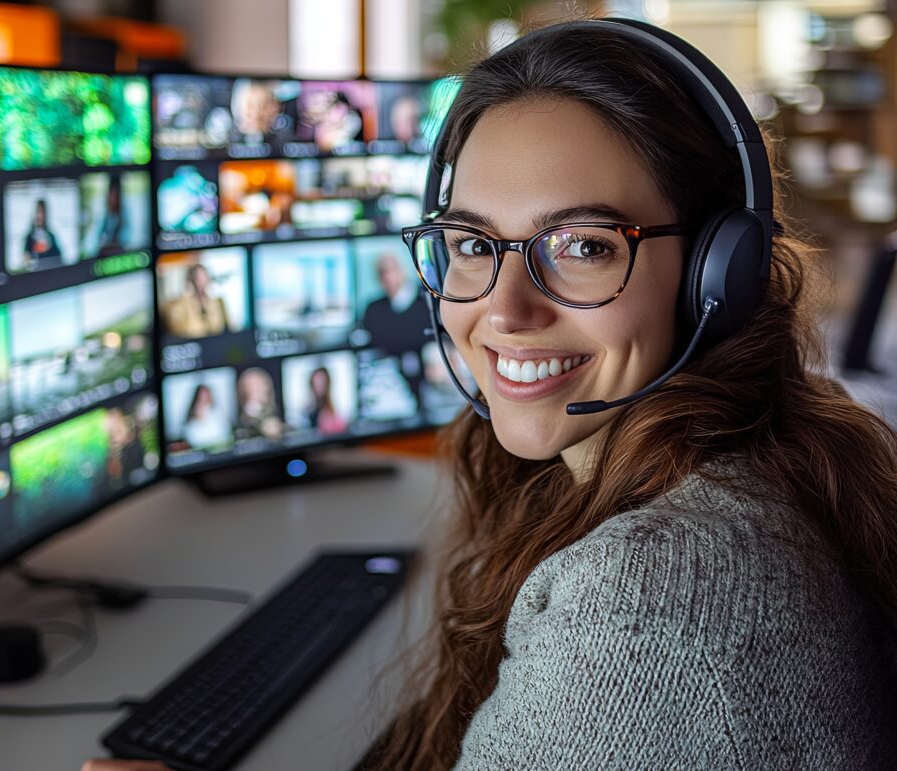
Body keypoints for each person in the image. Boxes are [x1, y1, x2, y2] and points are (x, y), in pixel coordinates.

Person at [83, 18, 897, 771]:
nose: (504, 311)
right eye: (473, 242)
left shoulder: (654, 599)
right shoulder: (750, 461)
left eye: (581, 244)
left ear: (720, 275)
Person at [362, 251, 430, 358]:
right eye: (381, 272)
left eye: (391, 269)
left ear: (403, 270)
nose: (387, 276)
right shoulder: (373, 310)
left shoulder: (426, 301)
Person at [164, 263, 231, 339]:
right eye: (197, 277)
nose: (201, 281)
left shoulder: (217, 302)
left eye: (203, 277)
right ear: (191, 280)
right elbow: (179, 329)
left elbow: (225, 327)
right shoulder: (181, 303)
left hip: (215, 342)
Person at [235, 367, 285, 441]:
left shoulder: (282, 415)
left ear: (267, 388)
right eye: (247, 386)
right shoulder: (238, 424)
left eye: (257, 386)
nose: (251, 390)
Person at [181, 383, 232, 451]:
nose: (203, 399)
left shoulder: (217, 412)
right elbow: (192, 439)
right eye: (201, 396)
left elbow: (225, 432)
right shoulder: (191, 416)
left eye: (205, 396)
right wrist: (199, 421)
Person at [21, 198, 63, 271]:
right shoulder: (29, 237)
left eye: (42, 212)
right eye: (38, 211)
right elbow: (26, 262)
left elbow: (59, 258)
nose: (39, 215)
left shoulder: (51, 236)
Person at [306, 366, 346, 434]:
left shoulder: (334, 410)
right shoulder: (306, 411)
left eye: (322, 381)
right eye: (316, 382)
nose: (319, 386)